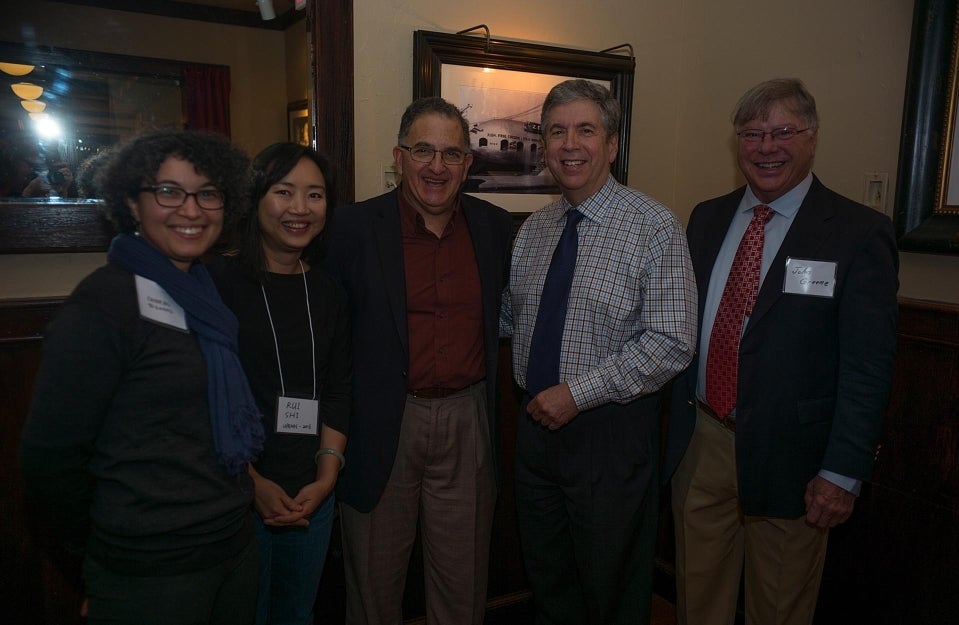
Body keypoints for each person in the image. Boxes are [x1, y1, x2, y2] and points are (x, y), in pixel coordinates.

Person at [664, 78, 899, 625]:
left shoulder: (858, 233)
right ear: (737, 143)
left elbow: (869, 366)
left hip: (796, 458)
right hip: (703, 442)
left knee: (781, 607)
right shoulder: (706, 218)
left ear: (812, 138)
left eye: (783, 132)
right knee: (698, 602)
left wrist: (841, 472)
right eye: (752, 134)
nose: (766, 147)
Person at [19, 130, 263, 625]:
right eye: (168, 191)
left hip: (231, 546)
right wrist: (96, 564)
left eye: (208, 193)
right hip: (149, 571)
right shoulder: (104, 304)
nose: (191, 211)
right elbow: (49, 459)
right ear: (132, 202)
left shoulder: (204, 293)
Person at [501, 78, 698, 625]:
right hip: (535, 432)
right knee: (549, 578)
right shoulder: (535, 231)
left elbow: (671, 342)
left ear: (612, 145)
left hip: (609, 433)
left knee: (612, 588)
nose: (569, 144)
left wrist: (577, 394)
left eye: (585, 130)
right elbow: (514, 321)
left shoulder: (655, 227)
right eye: (556, 131)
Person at [323, 97, 513, 625]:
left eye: (451, 154)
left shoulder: (497, 230)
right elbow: (327, 340)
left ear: (468, 165)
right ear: (399, 157)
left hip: (467, 423)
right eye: (423, 150)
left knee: (462, 586)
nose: (437, 166)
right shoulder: (349, 230)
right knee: (373, 590)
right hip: (381, 424)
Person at [210, 142, 350, 625]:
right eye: (284, 192)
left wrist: (327, 476)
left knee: (296, 615)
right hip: (236, 494)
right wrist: (252, 483)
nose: (299, 209)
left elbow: (337, 388)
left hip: (312, 492)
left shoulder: (328, 289)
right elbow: (202, 399)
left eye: (314, 196)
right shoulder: (218, 282)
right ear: (255, 199)